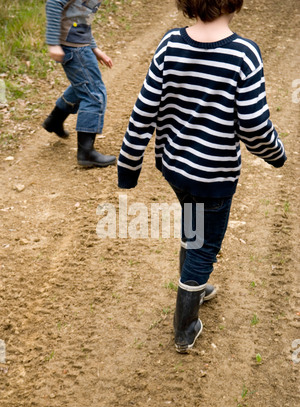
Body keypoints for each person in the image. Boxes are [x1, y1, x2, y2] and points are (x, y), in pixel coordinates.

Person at [117, 0, 287, 353]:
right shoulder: (243, 54)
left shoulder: (170, 44)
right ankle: (185, 325)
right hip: (214, 174)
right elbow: (255, 125)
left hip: (176, 168)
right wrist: (277, 154)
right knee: (206, 247)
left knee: (193, 222)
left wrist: (129, 165)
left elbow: (144, 109)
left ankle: (195, 283)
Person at [43, 0, 116, 168]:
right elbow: (54, 3)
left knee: (83, 85)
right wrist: (53, 43)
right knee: (94, 93)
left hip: (80, 46)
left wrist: (94, 48)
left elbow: (81, 19)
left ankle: (54, 120)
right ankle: (86, 152)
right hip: (74, 49)